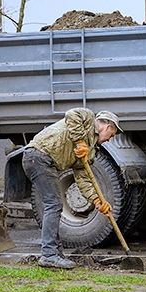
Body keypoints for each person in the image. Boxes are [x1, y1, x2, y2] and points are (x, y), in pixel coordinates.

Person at [22, 108, 122, 269]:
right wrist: (79, 142)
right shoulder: (88, 119)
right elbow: (72, 114)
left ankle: (55, 252)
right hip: (37, 156)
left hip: (45, 161)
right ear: (108, 126)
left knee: (54, 204)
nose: (109, 140)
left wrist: (97, 201)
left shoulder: (89, 151)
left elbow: (83, 179)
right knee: (53, 204)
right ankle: (49, 254)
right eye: (112, 135)